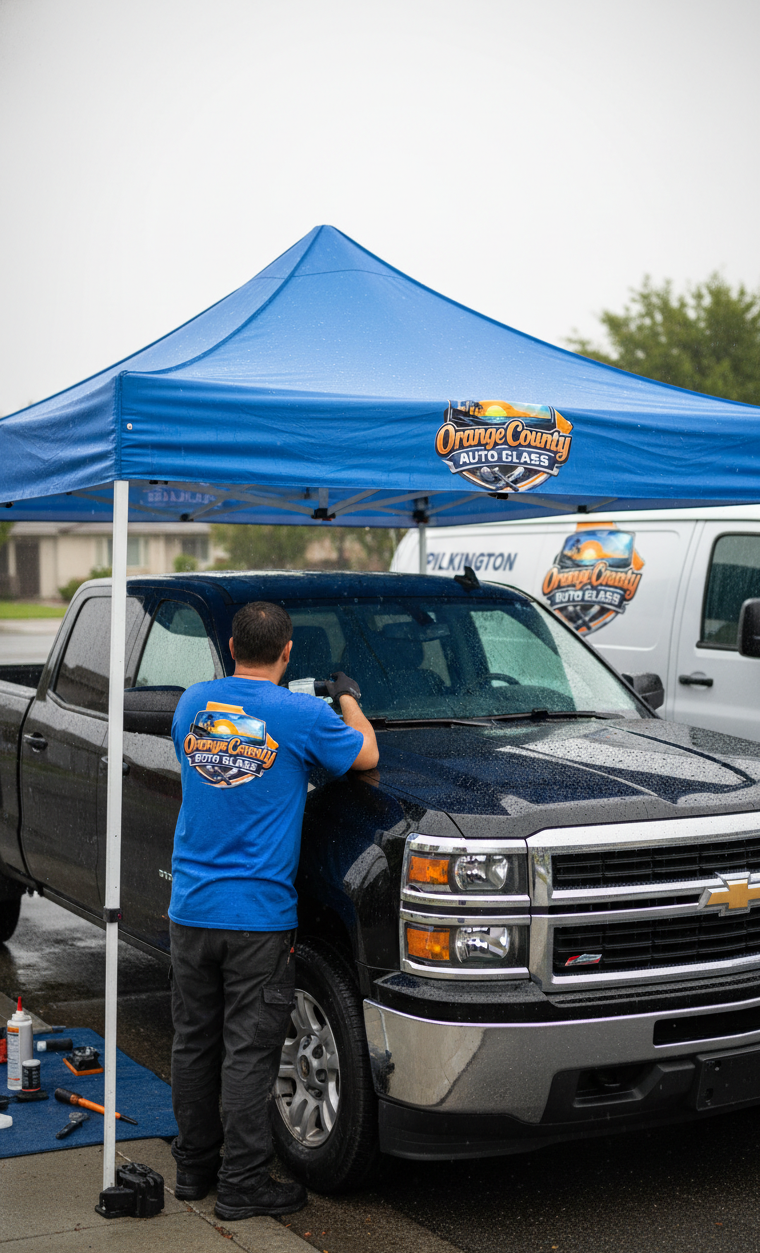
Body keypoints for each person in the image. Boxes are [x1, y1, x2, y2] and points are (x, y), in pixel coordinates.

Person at [168, 601, 378, 1221]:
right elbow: (365, 756)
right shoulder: (302, 713)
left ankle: (193, 1168)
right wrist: (346, 697)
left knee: (193, 1042)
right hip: (256, 917)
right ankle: (243, 1183)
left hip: (191, 909)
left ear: (232, 647)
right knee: (249, 1051)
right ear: (287, 653)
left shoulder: (192, 704)